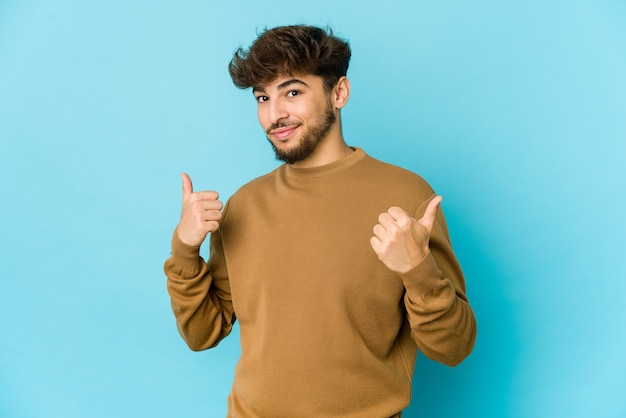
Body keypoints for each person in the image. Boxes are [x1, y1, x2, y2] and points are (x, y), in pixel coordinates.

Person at [164, 24, 476, 418]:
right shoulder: (244, 205)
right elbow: (201, 334)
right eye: (263, 97)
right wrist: (185, 250)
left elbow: (454, 347)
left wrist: (418, 270)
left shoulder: (407, 196)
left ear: (339, 93)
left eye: (292, 92)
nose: (275, 114)